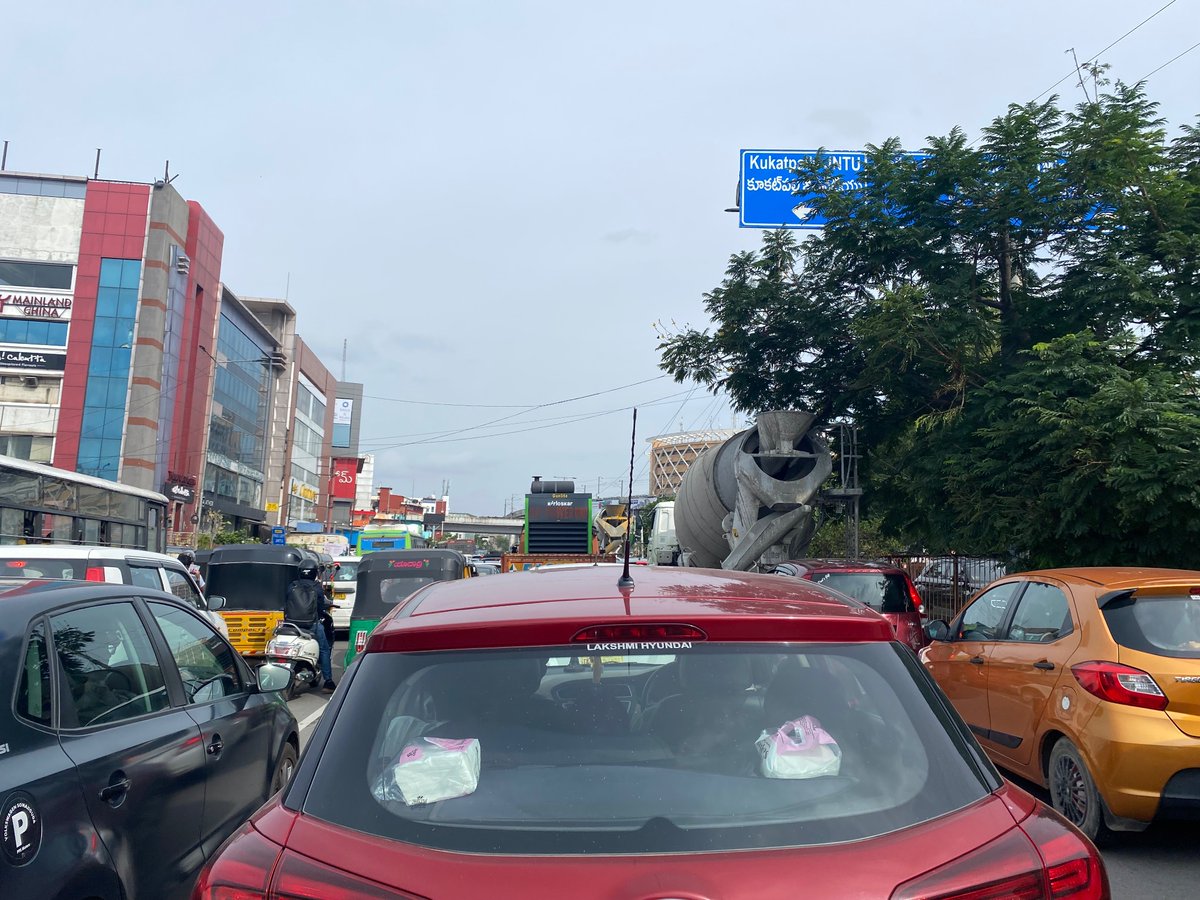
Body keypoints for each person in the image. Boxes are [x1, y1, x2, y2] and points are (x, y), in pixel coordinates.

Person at [285, 562, 336, 691]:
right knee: (324, 649)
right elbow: (320, 604)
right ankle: (328, 681)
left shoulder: (292, 585)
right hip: (312, 624)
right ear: (314, 573)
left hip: (292, 625)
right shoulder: (316, 587)